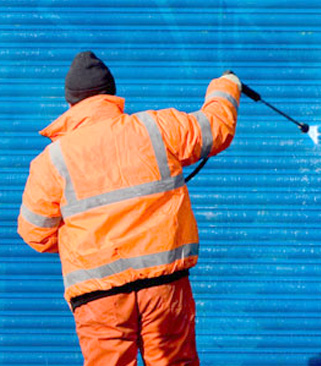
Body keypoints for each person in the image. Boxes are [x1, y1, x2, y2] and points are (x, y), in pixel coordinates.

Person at [17, 50, 241, 366]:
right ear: (111, 95)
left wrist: (88, 245)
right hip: (164, 289)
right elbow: (215, 129)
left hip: (98, 298)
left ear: (70, 104)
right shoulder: (156, 128)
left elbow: (35, 233)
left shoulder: (52, 161)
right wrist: (226, 85)